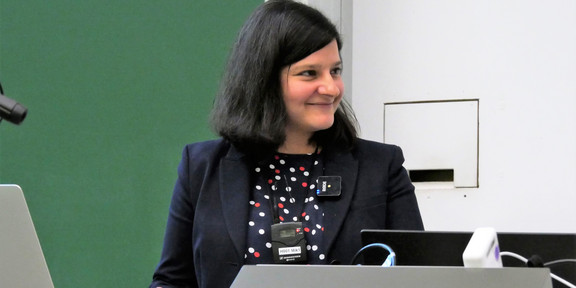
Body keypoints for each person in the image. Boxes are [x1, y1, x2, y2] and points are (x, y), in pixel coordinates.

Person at [149, 1, 424, 287]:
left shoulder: (381, 166)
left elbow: (419, 276)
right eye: (309, 73)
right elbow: (172, 280)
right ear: (264, 79)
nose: (331, 88)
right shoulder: (201, 166)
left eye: (335, 71)